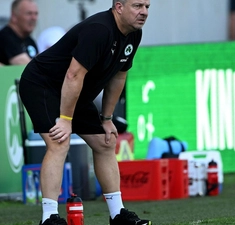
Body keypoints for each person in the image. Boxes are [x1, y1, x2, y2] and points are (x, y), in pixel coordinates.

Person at [19, 0, 151, 225]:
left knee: (105, 142)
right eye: (138, 6)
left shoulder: (134, 34)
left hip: (73, 91)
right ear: (119, 7)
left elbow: (119, 75)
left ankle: (118, 215)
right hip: (43, 84)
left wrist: (107, 118)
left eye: (147, 6)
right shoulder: (99, 30)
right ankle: (49, 217)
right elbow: (73, 75)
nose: (144, 12)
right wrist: (66, 119)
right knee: (59, 142)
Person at [0, 0, 38, 65]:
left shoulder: (29, 40)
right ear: (14, 16)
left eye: (36, 14)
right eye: (29, 13)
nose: (34, 18)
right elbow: (29, 67)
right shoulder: (5, 37)